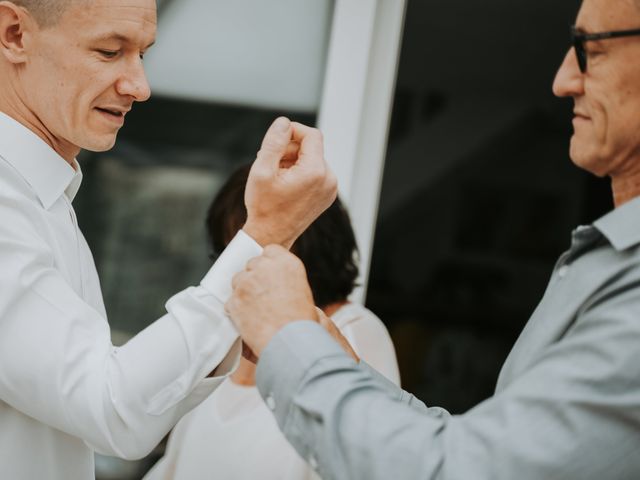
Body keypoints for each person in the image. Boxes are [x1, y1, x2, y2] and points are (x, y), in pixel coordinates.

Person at [226, 0, 640, 478]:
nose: (564, 80)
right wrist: (338, 363)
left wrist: (288, 339)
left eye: (591, 49)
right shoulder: (605, 262)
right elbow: (481, 452)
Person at [0, 1, 336, 479]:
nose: (139, 86)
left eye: (143, 56)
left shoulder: (41, 197)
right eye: (109, 51)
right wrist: (265, 233)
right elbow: (113, 408)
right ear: (15, 33)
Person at [144, 165, 399, 480]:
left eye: (257, 247)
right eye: (230, 251)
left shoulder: (353, 331)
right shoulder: (226, 338)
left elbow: (366, 460)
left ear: (308, 245)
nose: (237, 267)